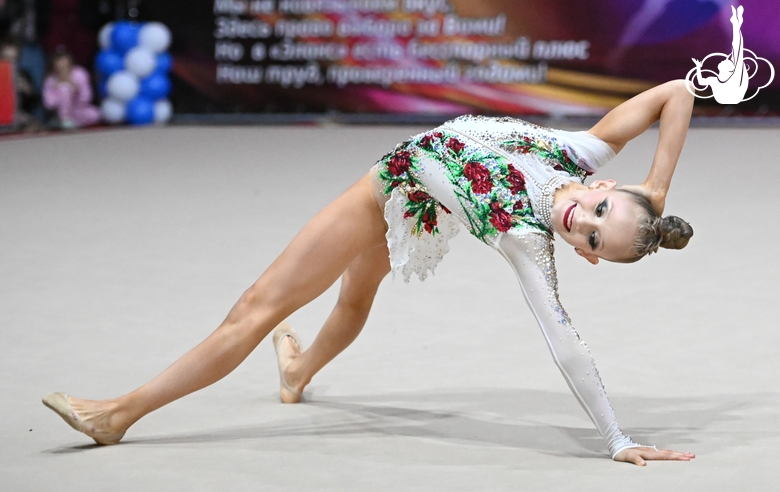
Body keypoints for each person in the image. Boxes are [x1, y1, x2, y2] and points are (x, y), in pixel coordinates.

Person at [43, 79, 697, 466]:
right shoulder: (577, 152)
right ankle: (297, 373)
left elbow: (566, 346)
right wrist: (659, 188)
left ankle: (119, 415)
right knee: (346, 296)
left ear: (586, 255)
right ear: (604, 182)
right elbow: (677, 92)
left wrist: (616, 440)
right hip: (401, 190)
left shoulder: (526, 241)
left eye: (592, 239)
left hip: (388, 192)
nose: (582, 221)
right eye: (601, 209)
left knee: (263, 305)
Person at [42, 47, 99, 129]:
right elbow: (48, 104)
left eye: (64, 60)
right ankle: (64, 121)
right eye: (58, 61)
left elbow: (87, 97)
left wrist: (76, 90)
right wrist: (57, 90)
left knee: (95, 114)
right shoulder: (51, 80)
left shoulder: (80, 73)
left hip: (79, 110)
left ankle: (74, 122)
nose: (62, 64)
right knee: (64, 89)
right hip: (60, 114)